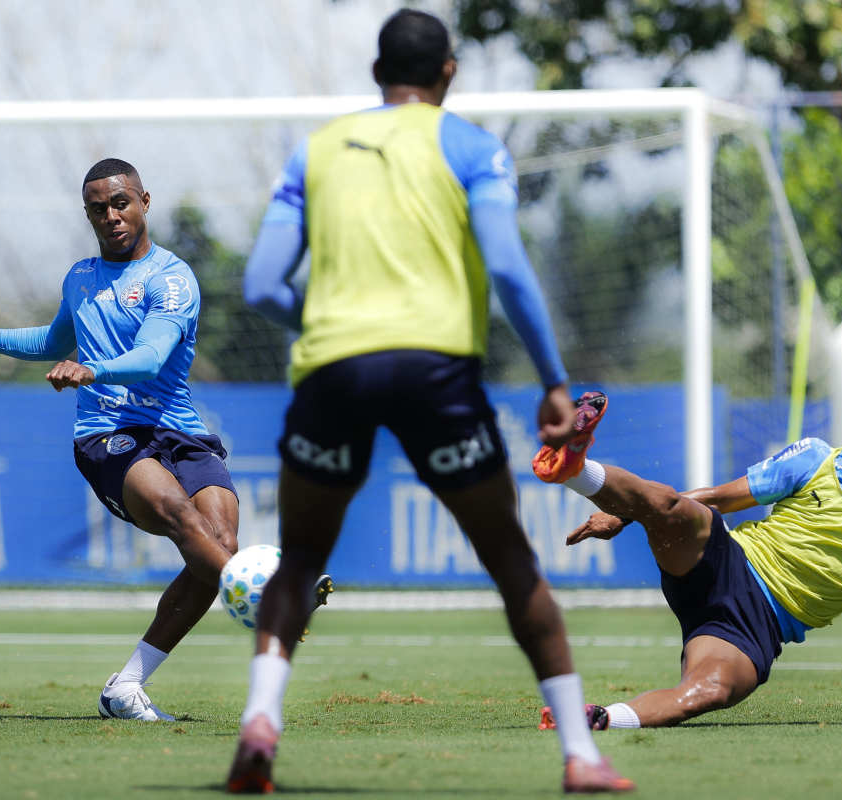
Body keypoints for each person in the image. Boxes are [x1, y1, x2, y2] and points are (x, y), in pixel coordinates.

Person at [226, 9, 634, 795]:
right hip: (434, 373)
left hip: (333, 369)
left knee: (302, 559)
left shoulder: (314, 152)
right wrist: (553, 378)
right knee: (511, 562)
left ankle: (260, 723)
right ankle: (581, 755)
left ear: (378, 73)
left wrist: (331, 323)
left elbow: (259, 285)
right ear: (448, 72)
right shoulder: (472, 147)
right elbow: (510, 271)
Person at [0, 158, 250, 722]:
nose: (111, 216)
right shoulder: (81, 278)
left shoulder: (172, 279)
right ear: (88, 214)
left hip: (181, 431)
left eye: (121, 203)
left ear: (145, 200)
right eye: (98, 209)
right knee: (180, 517)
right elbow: (50, 341)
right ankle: (269, 603)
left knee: (219, 544)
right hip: (108, 434)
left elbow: (150, 358)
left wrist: (90, 370)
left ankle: (126, 687)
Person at [534, 386, 842, 730]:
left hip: (755, 629)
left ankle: (595, 720)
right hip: (725, 564)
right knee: (677, 508)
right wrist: (630, 515)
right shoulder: (818, 460)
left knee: (707, 693)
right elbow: (720, 497)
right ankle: (574, 466)